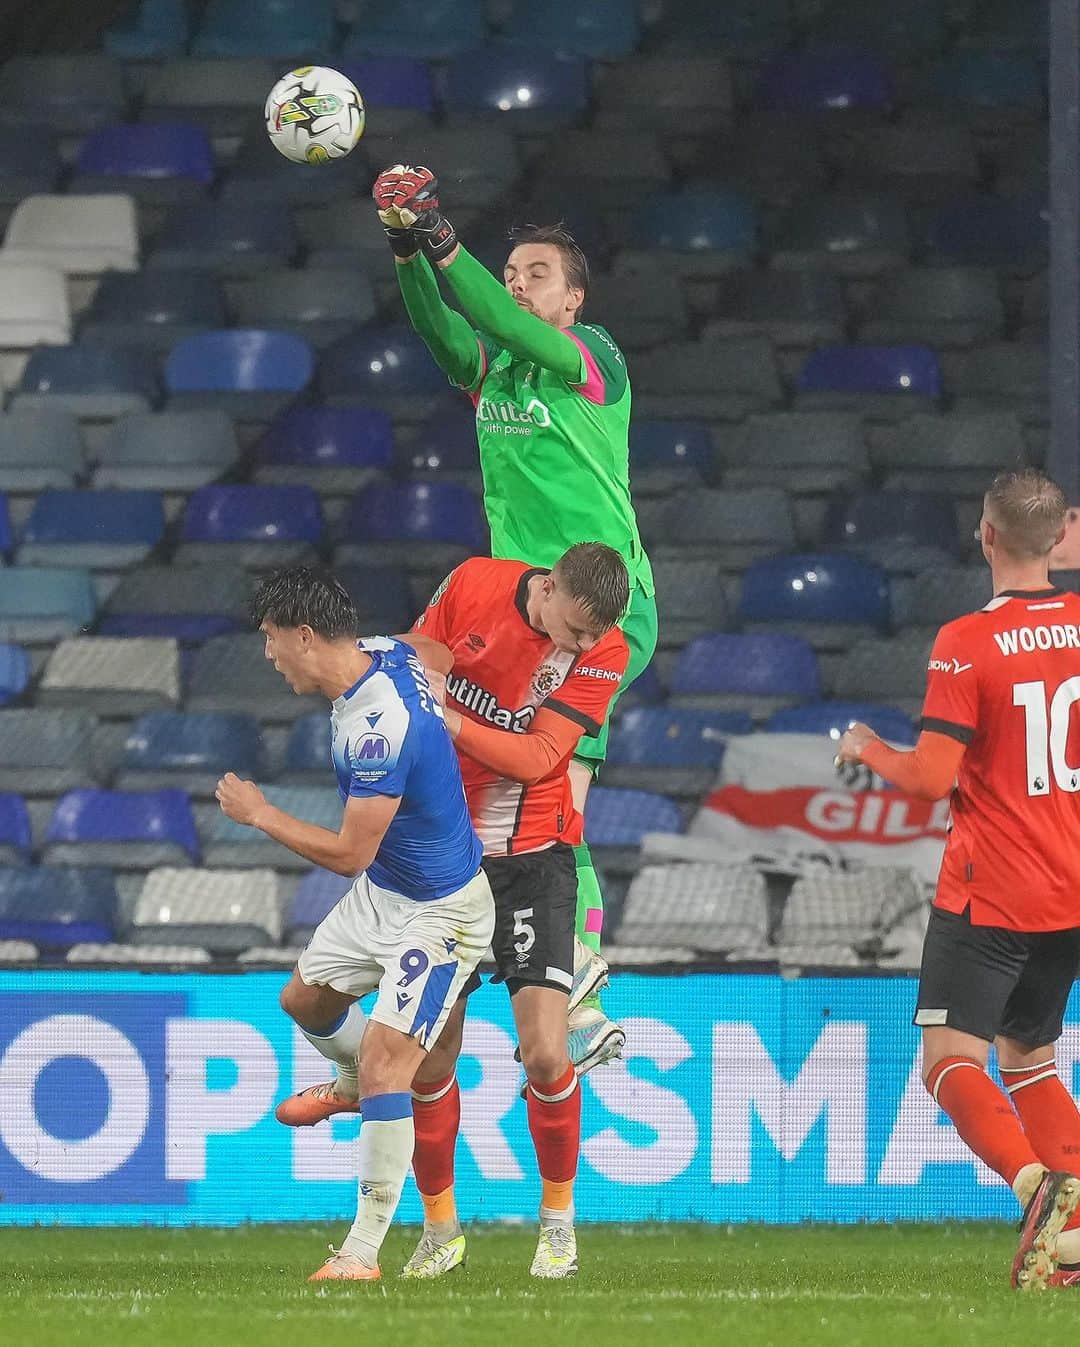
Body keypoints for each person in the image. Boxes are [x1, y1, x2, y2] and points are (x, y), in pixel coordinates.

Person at [370, 163, 659, 1072]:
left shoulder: (595, 361)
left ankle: (579, 977)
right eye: (514, 268)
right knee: (529, 796)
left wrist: (441, 232)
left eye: (537, 273)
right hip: (523, 608)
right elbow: (442, 326)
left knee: (558, 788)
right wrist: (405, 242)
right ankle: (562, 975)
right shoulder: (493, 368)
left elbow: (489, 313)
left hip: (601, 608)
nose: (519, 282)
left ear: (574, 300)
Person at [835, 468, 1080, 1291]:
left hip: (993, 886)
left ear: (984, 537)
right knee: (1032, 1057)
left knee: (948, 1059)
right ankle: (1074, 1246)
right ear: (1059, 538)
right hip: (1070, 888)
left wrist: (865, 746)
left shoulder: (967, 640)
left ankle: (1034, 1187)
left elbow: (930, 779)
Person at [215, 566, 494, 1283]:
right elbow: (438, 653)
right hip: (388, 891)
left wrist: (260, 813)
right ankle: (347, 1081)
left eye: (275, 641)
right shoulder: (385, 651)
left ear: (306, 636)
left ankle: (361, 1252)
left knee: (386, 1064)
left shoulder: (377, 727)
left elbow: (347, 853)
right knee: (304, 1001)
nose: (271, 654)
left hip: (440, 912)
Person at [405, 542, 630, 1281]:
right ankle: (440, 1230)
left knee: (544, 1052)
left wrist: (449, 721)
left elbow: (541, 758)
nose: (582, 646)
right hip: (446, 856)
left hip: (534, 859)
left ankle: (558, 1226)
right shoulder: (472, 580)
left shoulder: (607, 648)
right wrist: (418, 690)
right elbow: (420, 652)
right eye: (571, 631)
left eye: (593, 636)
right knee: (429, 1060)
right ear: (549, 587)